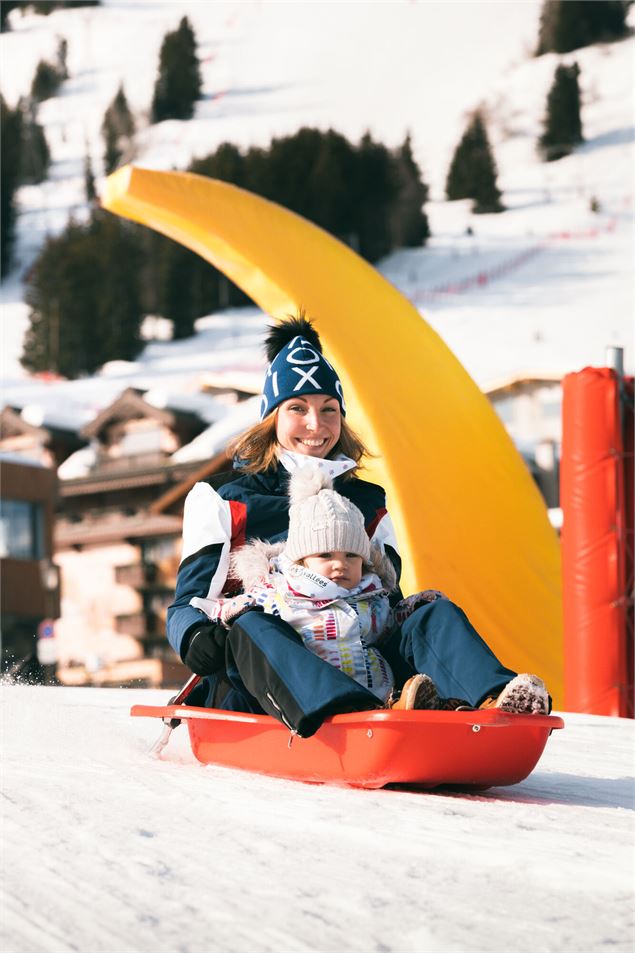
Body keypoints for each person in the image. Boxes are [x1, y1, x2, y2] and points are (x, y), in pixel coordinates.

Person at [167, 312, 549, 737]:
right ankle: (354, 711)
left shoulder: (366, 502)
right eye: (298, 408)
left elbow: (387, 600)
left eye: (329, 409)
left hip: (364, 658)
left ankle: (498, 704)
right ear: (271, 417)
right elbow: (188, 604)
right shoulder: (225, 498)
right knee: (251, 626)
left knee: (430, 614)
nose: (316, 424)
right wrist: (196, 638)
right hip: (268, 679)